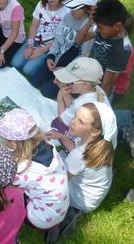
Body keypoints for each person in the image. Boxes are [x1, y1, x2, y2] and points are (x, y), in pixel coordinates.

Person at [0, 109, 69, 236]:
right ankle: (56, 224)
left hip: (38, 217)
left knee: (4, 194)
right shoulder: (48, 145)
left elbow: (0, 182)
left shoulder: (21, 172)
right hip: (59, 208)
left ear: (14, 144)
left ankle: (5, 226)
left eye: (2, 137)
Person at [45, 102, 116, 238]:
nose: (73, 122)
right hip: (95, 192)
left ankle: (66, 216)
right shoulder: (99, 143)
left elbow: (60, 182)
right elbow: (75, 152)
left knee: (48, 177)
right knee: (62, 156)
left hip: (81, 199)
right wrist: (62, 137)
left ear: (95, 131)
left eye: (81, 122)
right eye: (75, 116)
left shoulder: (80, 154)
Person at [30, 0, 99, 99]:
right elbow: (57, 39)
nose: (71, 10)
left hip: (70, 69)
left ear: (89, 9)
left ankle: (64, 82)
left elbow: (84, 56)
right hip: (56, 61)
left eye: (76, 8)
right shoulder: (68, 17)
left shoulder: (90, 29)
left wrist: (67, 70)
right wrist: (51, 56)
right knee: (34, 81)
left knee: (46, 93)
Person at [10, 0, 70, 75]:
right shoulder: (41, 5)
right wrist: (29, 45)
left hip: (50, 48)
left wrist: (43, 50)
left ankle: (47, 63)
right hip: (35, 42)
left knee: (27, 70)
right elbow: (34, 26)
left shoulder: (67, 11)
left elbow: (62, 38)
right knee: (15, 63)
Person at [50, 57, 113, 149]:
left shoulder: (83, 102)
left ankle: (70, 147)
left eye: (70, 81)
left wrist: (60, 97)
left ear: (85, 84)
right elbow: (73, 106)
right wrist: (63, 87)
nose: (67, 83)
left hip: (87, 148)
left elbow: (62, 119)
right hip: (100, 140)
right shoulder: (97, 90)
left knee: (56, 124)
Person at [75, 0, 131, 99]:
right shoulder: (103, 28)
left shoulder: (122, 49)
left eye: (100, 27)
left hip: (99, 91)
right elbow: (78, 40)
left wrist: (98, 103)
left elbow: (107, 82)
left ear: (117, 26)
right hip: (87, 80)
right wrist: (89, 22)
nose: (98, 29)